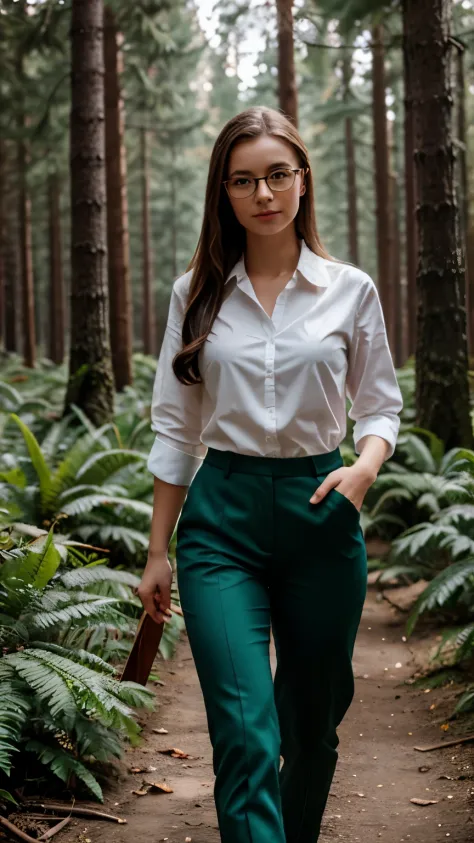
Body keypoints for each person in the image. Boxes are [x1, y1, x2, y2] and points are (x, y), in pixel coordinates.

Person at [138, 105, 403, 843]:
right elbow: (174, 426)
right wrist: (159, 550)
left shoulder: (350, 290)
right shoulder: (195, 292)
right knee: (246, 732)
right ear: (223, 192)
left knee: (311, 729)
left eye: (277, 175)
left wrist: (364, 470)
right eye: (244, 180)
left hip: (323, 508)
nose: (264, 194)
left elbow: (382, 407)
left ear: (302, 180)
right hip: (221, 520)